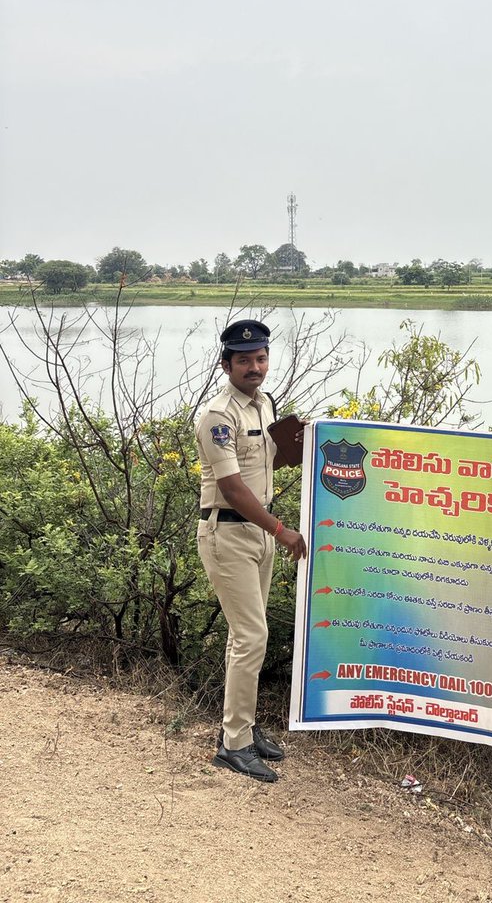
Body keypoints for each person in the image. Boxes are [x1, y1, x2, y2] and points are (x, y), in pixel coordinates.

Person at [195, 319, 307, 783]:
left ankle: (243, 726)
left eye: (260, 358)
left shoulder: (263, 405)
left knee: (246, 637)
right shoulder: (219, 416)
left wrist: (307, 443)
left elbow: (268, 462)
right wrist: (283, 531)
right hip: (229, 534)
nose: (254, 367)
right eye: (244, 361)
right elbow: (234, 488)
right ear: (226, 365)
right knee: (251, 636)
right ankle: (233, 745)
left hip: (258, 532)